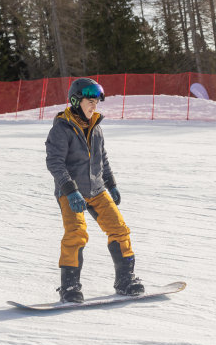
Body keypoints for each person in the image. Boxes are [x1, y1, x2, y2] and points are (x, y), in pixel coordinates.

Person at [45, 78, 145, 303]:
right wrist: (70, 191)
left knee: (120, 230)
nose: (94, 106)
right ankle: (69, 286)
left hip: (97, 190)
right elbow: (55, 163)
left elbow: (103, 160)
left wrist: (112, 184)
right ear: (75, 100)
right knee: (76, 234)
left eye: (96, 103)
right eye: (90, 102)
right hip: (70, 191)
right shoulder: (62, 128)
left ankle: (125, 280)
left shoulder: (96, 127)